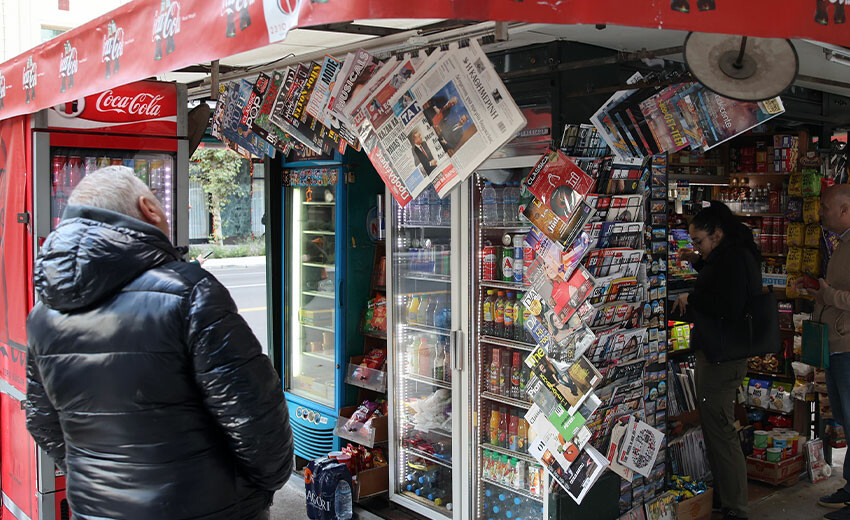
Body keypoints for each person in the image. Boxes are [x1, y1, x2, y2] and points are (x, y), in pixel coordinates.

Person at [25, 166, 293, 520]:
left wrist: (98, 478)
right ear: (148, 209)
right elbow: (255, 417)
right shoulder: (190, 292)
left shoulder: (42, 315)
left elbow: (42, 422)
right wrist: (254, 488)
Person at [671, 201, 760, 520]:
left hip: (723, 356)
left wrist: (691, 298)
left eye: (699, 242)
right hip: (723, 352)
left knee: (720, 429)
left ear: (718, 234)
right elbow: (719, 283)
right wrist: (698, 261)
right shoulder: (730, 254)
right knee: (717, 426)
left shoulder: (734, 259)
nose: (696, 247)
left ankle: (736, 505)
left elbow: (727, 304)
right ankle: (726, 497)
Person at [792, 184, 850, 520]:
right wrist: (819, 290)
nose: (820, 213)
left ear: (844, 209)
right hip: (838, 342)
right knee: (844, 417)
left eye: (825, 207)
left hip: (847, 344)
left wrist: (828, 295)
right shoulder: (841, 243)